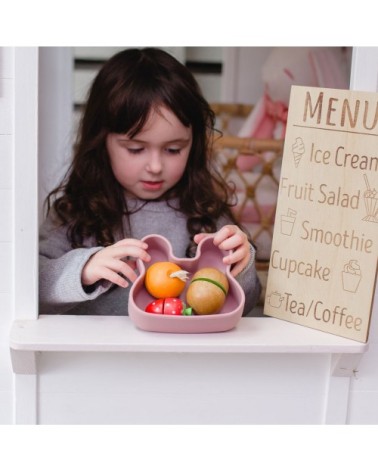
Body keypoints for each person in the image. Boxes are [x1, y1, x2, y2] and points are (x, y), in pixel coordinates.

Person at [39, 47, 261, 316]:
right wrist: (83, 269)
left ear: (194, 145)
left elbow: (245, 305)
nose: (155, 167)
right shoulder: (75, 212)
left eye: (173, 149)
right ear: (101, 142)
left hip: (178, 354)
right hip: (98, 355)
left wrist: (242, 264)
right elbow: (33, 288)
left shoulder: (205, 212)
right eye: (135, 149)